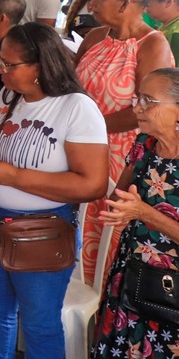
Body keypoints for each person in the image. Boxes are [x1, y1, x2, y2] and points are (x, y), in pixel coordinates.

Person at [0, 23, 108, 358]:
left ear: (39, 66)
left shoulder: (76, 107)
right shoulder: (9, 96)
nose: (0, 71)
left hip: (41, 230)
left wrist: (13, 176)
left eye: (9, 65)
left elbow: (92, 184)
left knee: (39, 323)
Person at [76, 0, 175, 284]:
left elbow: (146, 111)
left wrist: (91, 129)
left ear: (124, 3)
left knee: (108, 229)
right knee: (77, 224)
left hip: (120, 154)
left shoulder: (152, 44)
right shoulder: (95, 37)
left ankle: (104, 297)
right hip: (79, 147)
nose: (93, 3)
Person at [92, 67, 179, 358]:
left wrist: (143, 212)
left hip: (172, 293)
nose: (137, 108)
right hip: (132, 277)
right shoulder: (144, 144)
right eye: (137, 99)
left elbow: (138, 209)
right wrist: (120, 209)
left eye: (148, 101)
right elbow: (118, 198)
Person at [149, 0, 179, 64]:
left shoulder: (176, 35)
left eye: (150, 0)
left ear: (168, 1)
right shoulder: (168, 26)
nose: (146, 5)